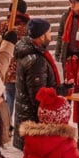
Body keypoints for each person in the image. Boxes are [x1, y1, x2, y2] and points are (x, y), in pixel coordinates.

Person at [13, 18, 60, 150]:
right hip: (34, 121)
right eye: (49, 32)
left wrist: (61, 88)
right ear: (41, 35)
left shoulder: (31, 53)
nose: (51, 36)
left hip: (26, 116)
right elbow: (38, 96)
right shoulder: (36, 60)